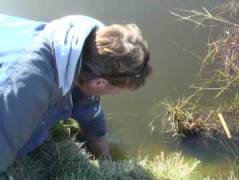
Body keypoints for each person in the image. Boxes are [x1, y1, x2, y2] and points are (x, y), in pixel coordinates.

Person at [0, 14, 151, 174]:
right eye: (114, 91)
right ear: (99, 83)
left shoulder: (82, 50)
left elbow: (87, 101)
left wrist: (99, 142)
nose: (113, 95)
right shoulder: (23, 90)